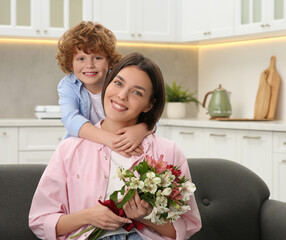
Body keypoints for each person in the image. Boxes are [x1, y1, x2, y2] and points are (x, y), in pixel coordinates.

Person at [29, 52, 202, 240]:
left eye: (137, 92)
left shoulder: (168, 152)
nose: (121, 96)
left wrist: (146, 216)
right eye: (118, 83)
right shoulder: (69, 150)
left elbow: (186, 227)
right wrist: (88, 216)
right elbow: (40, 221)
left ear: (149, 105)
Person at [56, 21, 152, 156]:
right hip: (84, 151)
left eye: (97, 58)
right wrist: (110, 140)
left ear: (109, 60)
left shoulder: (119, 80)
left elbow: (151, 113)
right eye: (81, 59)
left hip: (120, 147)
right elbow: (70, 119)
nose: (89, 65)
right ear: (70, 64)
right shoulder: (68, 85)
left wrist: (142, 129)